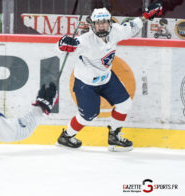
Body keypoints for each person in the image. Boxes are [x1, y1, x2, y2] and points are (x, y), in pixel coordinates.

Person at [56, 2, 163, 151]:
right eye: (98, 23)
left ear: (109, 23)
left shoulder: (116, 31)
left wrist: (145, 17)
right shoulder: (85, 41)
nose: (101, 26)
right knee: (88, 116)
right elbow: (65, 48)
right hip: (86, 84)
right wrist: (62, 44)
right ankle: (66, 136)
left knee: (125, 103)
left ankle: (114, 137)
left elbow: (131, 27)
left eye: (105, 22)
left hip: (106, 78)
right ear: (92, 25)